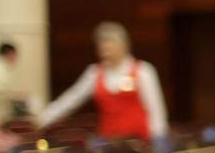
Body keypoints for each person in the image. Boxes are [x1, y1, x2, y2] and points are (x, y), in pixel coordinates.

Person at [36, 22, 168, 143]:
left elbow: (156, 110)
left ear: (123, 46)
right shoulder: (94, 73)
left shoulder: (143, 71)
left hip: (140, 140)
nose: (105, 53)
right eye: (102, 48)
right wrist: (42, 119)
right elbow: (70, 99)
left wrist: (158, 139)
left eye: (109, 47)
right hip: (107, 140)